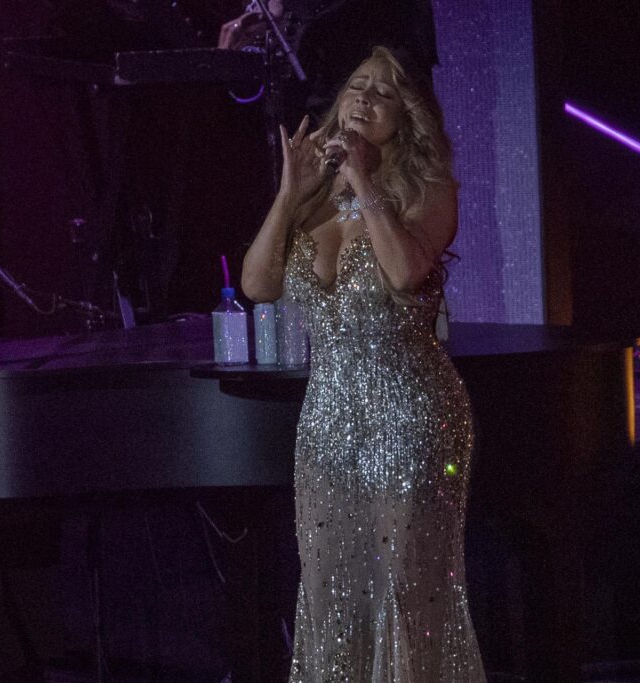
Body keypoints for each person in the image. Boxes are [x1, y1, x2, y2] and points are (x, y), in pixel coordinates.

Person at [241, 46, 486, 680]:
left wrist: (364, 182)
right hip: (328, 420)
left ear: (406, 116)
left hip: (410, 415)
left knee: (405, 591)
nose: (363, 98)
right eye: (357, 85)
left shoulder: (429, 190)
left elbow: (403, 273)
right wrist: (289, 194)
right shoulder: (311, 197)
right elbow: (258, 286)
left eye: (383, 92)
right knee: (332, 596)